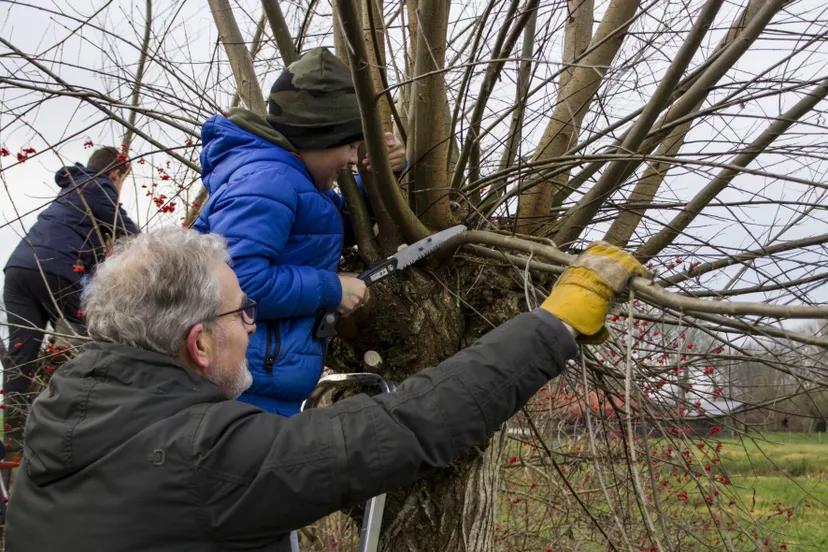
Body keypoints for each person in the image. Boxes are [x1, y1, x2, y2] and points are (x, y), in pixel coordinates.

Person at [4, 227, 645, 551]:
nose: (253, 325)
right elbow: (408, 425)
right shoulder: (202, 460)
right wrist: (553, 325)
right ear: (199, 344)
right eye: (241, 313)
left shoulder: (61, 421)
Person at [193, 47, 406, 417]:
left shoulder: (296, 182)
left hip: (264, 383)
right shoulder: (268, 180)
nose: (354, 158)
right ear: (320, 136)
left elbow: (331, 231)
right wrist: (331, 288)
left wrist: (377, 181)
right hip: (241, 389)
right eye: (351, 146)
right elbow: (239, 284)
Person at [2, 146, 138, 455]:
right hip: (56, 269)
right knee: (96, 345)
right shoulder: (99, 185)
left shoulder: (72, 188)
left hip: (20, 268)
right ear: (116, 174)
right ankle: (98, 424)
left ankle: (13, 435)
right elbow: (129, 234)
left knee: (22, 354)